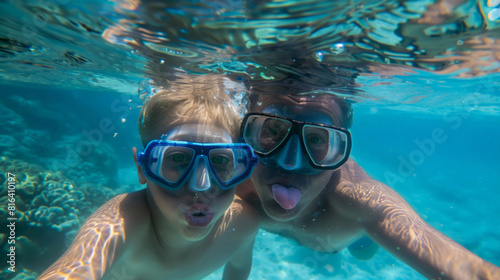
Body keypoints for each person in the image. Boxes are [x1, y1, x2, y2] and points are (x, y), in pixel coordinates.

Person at [237, 78, 500, 279]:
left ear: (339, 150)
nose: (289, 162)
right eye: (272, 130)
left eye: (316, 139)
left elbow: (469, 270)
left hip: (353, 237)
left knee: (362, 253)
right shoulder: (224, 173)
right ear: (244, 133)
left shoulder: (361, 202)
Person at [39, 75, 259, 280]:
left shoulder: (243, 223)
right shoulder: (121, 224)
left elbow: (238, 268)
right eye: (179, 158)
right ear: (142, 168)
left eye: (220, 161)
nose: (201, 185)